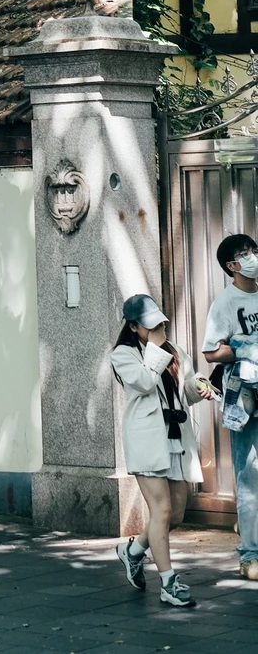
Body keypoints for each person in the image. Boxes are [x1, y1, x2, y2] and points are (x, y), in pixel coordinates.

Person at [112, 293, 212, 610]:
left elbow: (186, 391)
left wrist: (199, 386)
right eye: (152, 325)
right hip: (146, 441)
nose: (160, 329)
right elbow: (143, 382)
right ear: (133, 327)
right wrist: (157, 349)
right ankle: (169, 583)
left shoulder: (175, 351)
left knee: (176, 515)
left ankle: (133, 551)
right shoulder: (123, 354)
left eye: (161, 323)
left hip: (176, 439)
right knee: (161, 511)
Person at [201, 231, 258, 581]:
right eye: (246, 254)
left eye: (255, 250)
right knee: (249, 477)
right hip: (247, 400)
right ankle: (250, 555)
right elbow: (211, 352)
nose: (253, 257)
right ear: (232, 266)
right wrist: (243, 348)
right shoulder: (224, 303)